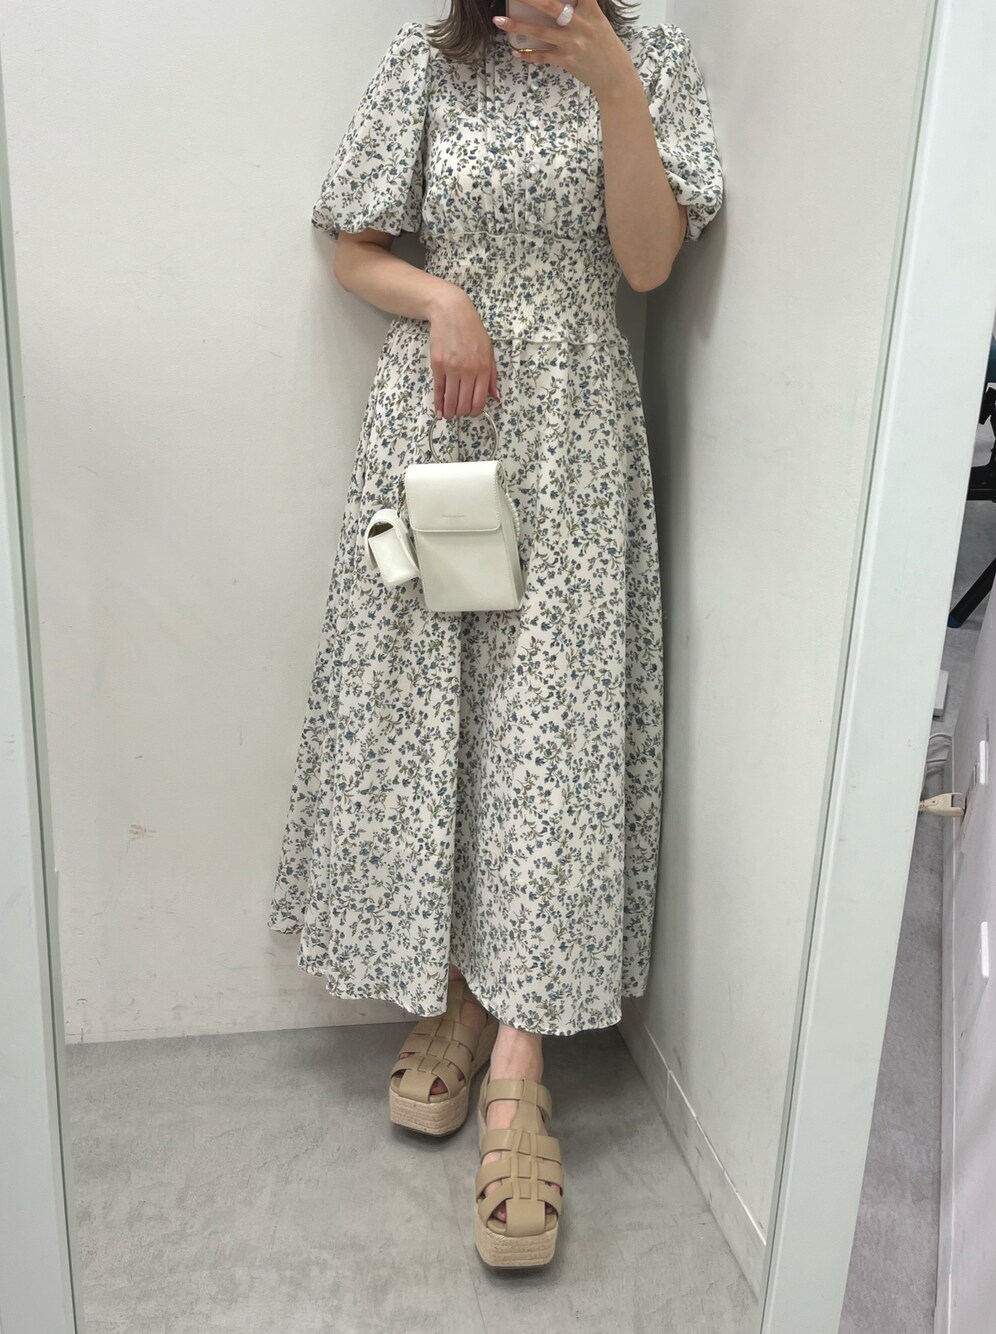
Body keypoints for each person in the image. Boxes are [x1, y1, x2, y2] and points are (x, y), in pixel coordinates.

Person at [268, 0, 724, 1269]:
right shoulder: (429, 60)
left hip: (572, 430)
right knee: (439, 716)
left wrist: (613, 84)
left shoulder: (647, 57)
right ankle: (461, 998)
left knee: (546, 741)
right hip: (444, 417)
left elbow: (646, 264)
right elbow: (352, 248)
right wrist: (443, 298)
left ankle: (521, 1060)